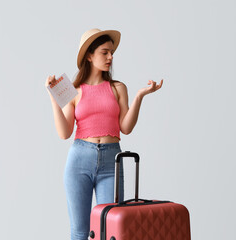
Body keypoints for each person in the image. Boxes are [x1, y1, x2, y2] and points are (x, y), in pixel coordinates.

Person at [45, 28, 163, 240]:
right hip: (79, 159)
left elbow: (126, 128)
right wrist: (53, 97)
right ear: (89, 56)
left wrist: (140, 96)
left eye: (111, 53)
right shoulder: (73, 90)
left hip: (112, 161)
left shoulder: (118, 88)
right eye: (104, 52)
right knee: (80, 231)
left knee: (110, 231)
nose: (110, 57)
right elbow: (64, 132)